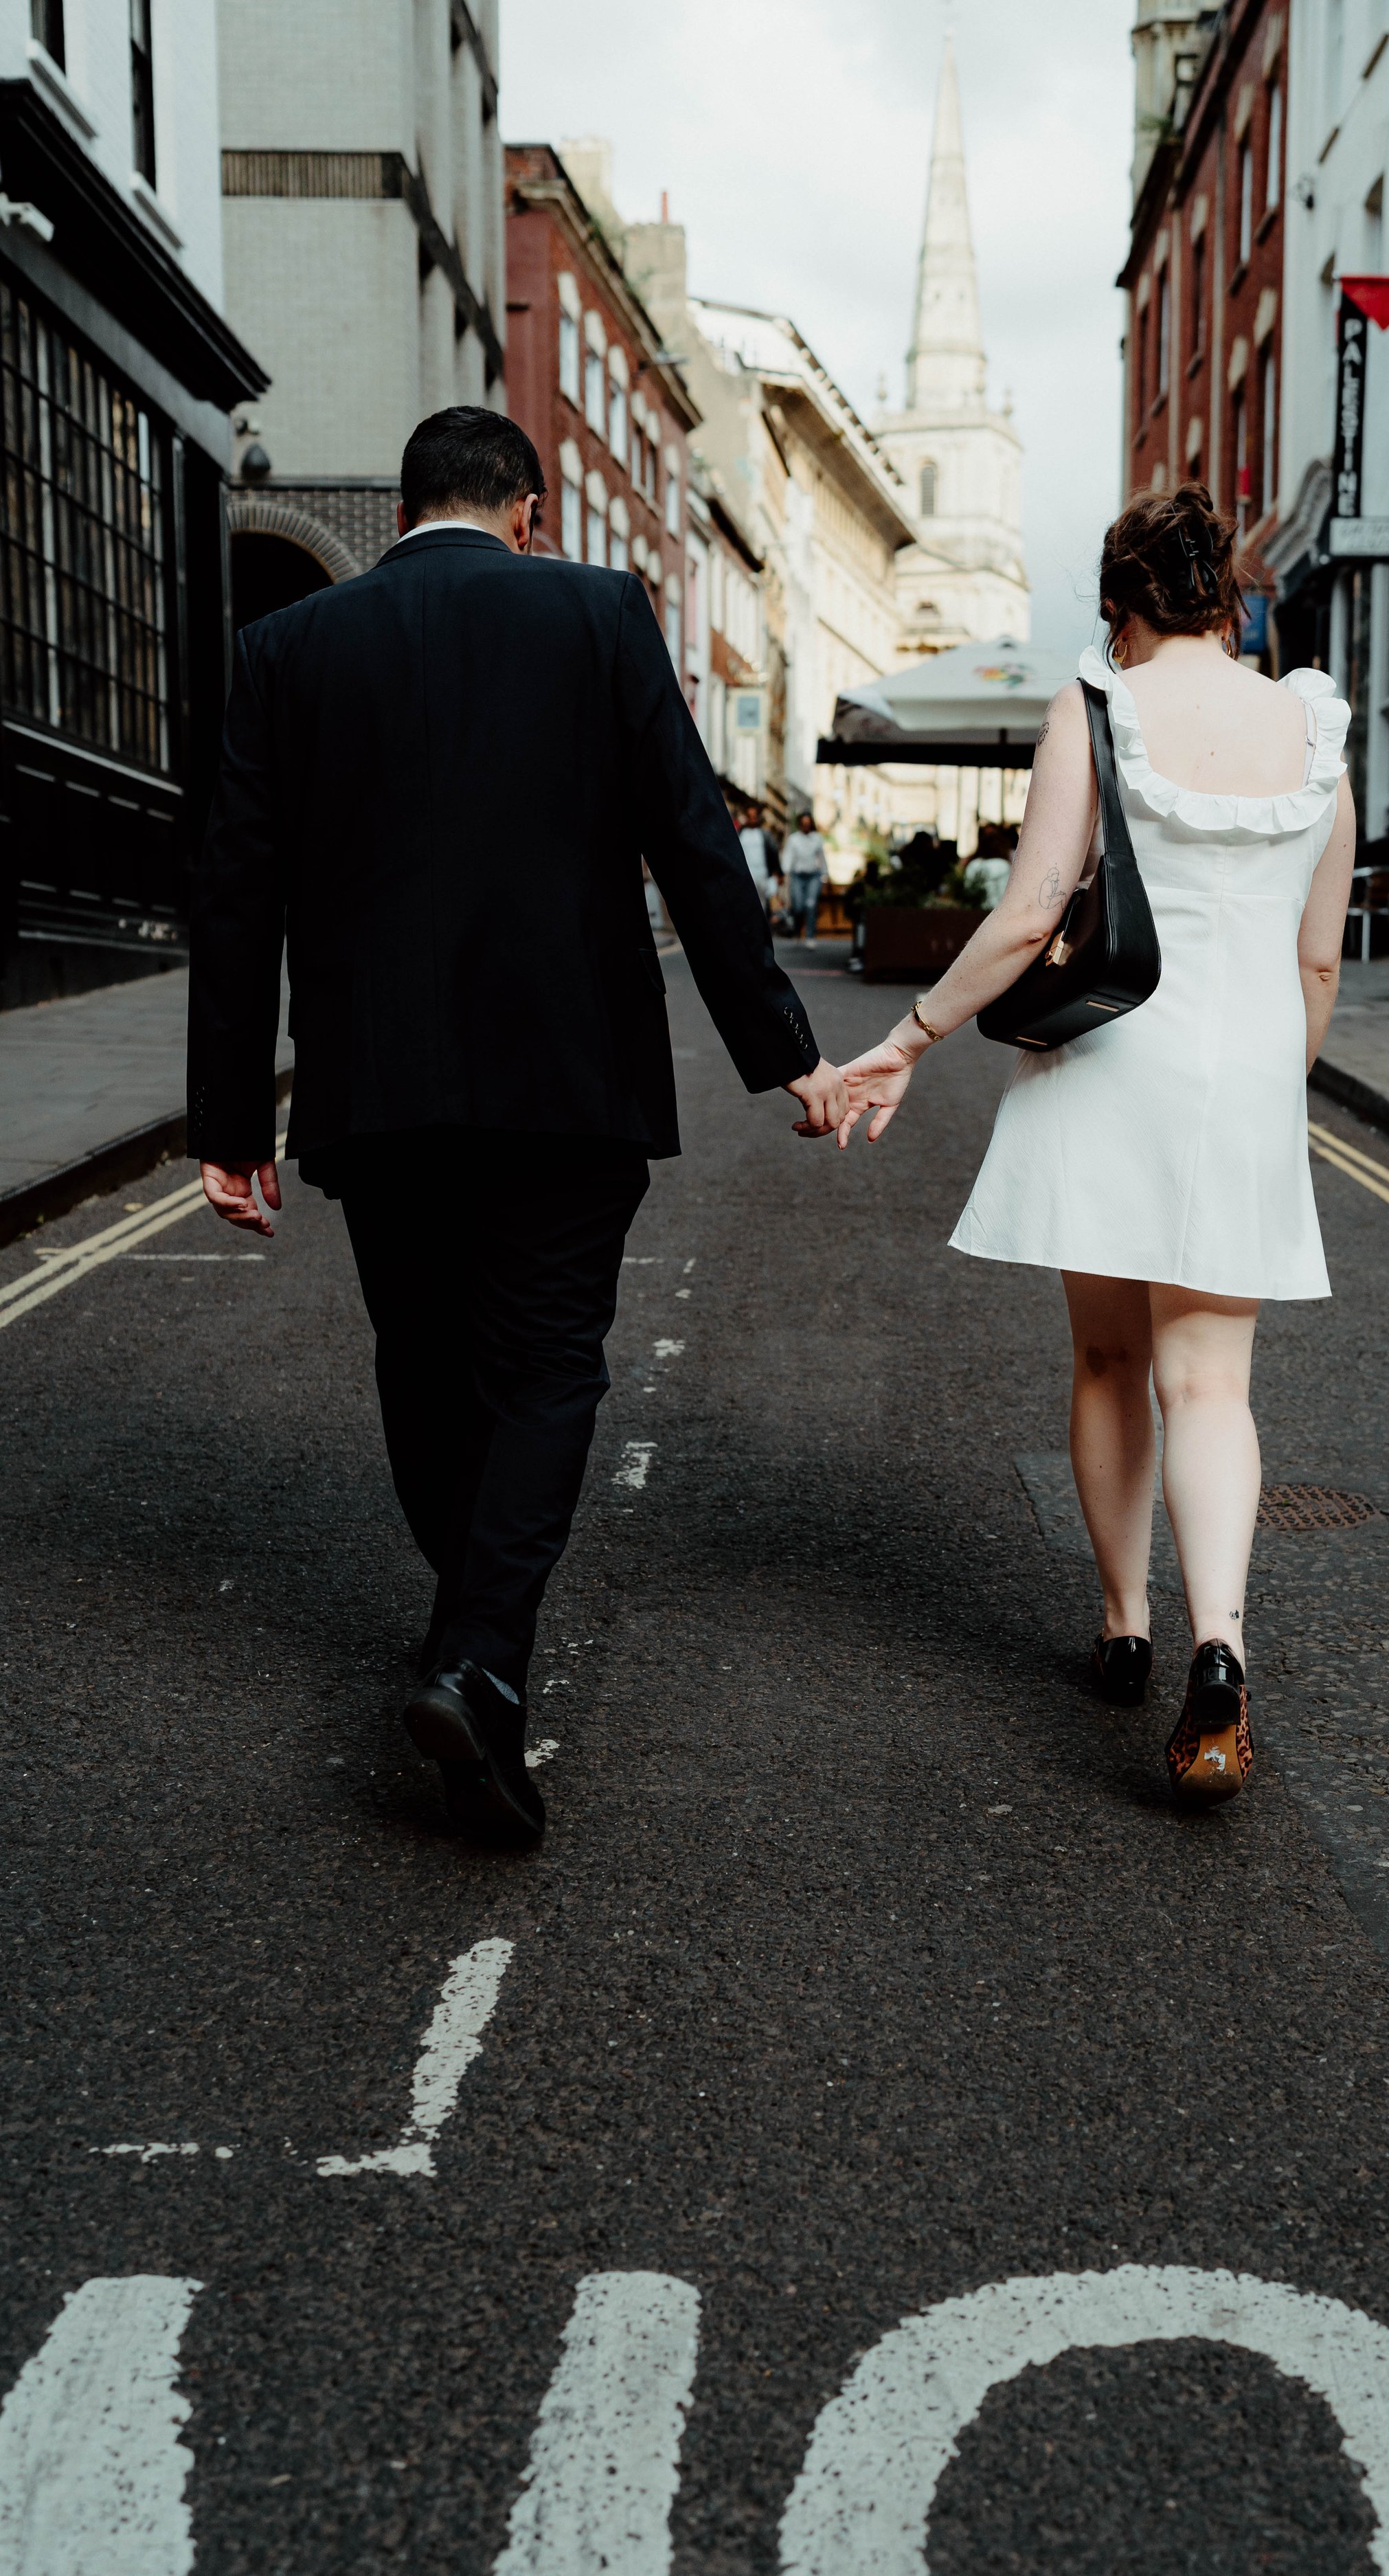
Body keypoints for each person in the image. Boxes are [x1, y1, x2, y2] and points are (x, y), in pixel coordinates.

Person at [188, 407, 847, 1848]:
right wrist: (785, 1054)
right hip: (566, 1081)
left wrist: (228, 1124)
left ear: (412, 502)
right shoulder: (598, 612)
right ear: (529, 510)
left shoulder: (288, 649)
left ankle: (461, 1635)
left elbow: (237, 894)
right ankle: (481, 1659)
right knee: (547, 1369)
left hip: (380, 1088)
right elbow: (691, 837)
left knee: (424, 1366)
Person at [835, 484, 1355, 1809]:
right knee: (1212, 1384)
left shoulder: (1101, 702)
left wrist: (908, 1036)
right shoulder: (1316, 727)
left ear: (1123, 610)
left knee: (1109, 1356)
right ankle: (1220, 1648)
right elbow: (1319, 960)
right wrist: (1266, 1092)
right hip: (1246, 1071)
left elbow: (1028, 916)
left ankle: (1125, 1625)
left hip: (1111, 1054)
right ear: (1234, 605)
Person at [780, 811, 827, 947]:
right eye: (803, 824)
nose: (806, 826)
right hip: (797, 876)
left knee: (811, 905)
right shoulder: (793, 839)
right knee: (798, 906)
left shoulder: (817, 838)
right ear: (800, 824)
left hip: (813, 876)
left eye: (808, 824)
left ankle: (810, 936)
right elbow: (788, 856)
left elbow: (822, 857)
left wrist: (825, 875)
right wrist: (784, 872)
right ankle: (797, 931)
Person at [736, 804, 778, 911]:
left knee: (762, 906)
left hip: (762, 875)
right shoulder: (740, 834)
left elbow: (773, 853)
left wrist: (777, 873)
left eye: (755, 815)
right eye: (750, 816)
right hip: (746, 876)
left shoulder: (765, 835)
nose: (753, 818)